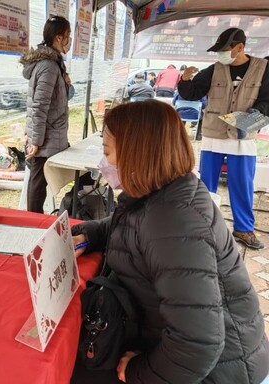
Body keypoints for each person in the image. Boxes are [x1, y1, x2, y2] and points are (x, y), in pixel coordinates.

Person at [71, 100, 268, 384]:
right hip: (185, 353)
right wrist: (90, 233)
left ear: (138, 154)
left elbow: (197, 344)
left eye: (107, 152)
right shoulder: (162, 192)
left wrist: (138, 371)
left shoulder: (174, 218)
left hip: (217, 372)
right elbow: (131, 225)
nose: (103, 163)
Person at [178, 27, 269, 249]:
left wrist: (252, 117)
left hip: (243, 137)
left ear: (240, 47)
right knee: (206, 184)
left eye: (224, 49)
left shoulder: (264, 69)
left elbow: (267, 101)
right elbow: (192, 94)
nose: (221, 55)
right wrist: (185, 79)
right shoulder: (213, 70)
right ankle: (201, 227)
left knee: (242, 184)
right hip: (213, 135)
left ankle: (243, 229)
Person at [20, 15, 72, 213]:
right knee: (38, 184)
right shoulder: (49, 66)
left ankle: (35, 222)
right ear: (58, 37)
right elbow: (39, 105)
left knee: (39, 183)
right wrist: (35, 141)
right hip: (46, 138)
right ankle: (33, 224)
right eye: (67, 36)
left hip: (50, 134)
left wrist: (65, 83)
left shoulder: (54, 63)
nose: (68, 41)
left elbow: (55, 99)